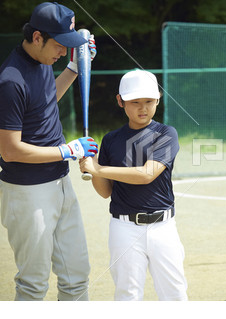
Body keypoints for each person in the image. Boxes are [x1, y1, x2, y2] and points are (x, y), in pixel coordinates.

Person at [0, 2, 98, 301]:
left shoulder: (42, 63)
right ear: (38, 37)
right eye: (60, 46)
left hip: (59, 181)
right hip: (27, 192)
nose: (62, 52)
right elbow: (10, 150)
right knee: (33, 284)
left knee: (76, 276)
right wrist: (68, 150)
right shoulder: (10, 80)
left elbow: (43, 104)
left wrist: (72, 69)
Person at [79, 69, 188, 301]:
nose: (143, 108)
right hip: (124, 227)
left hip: (163, 226)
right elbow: (105, 191)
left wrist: (99, 169)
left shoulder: (166, 134)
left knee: (175, 294)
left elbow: (147, 174)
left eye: (149, 101)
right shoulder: (110, 140)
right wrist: (93, 165)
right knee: (127, 295)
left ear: (158, 99)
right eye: (135, 102)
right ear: (120, 101)